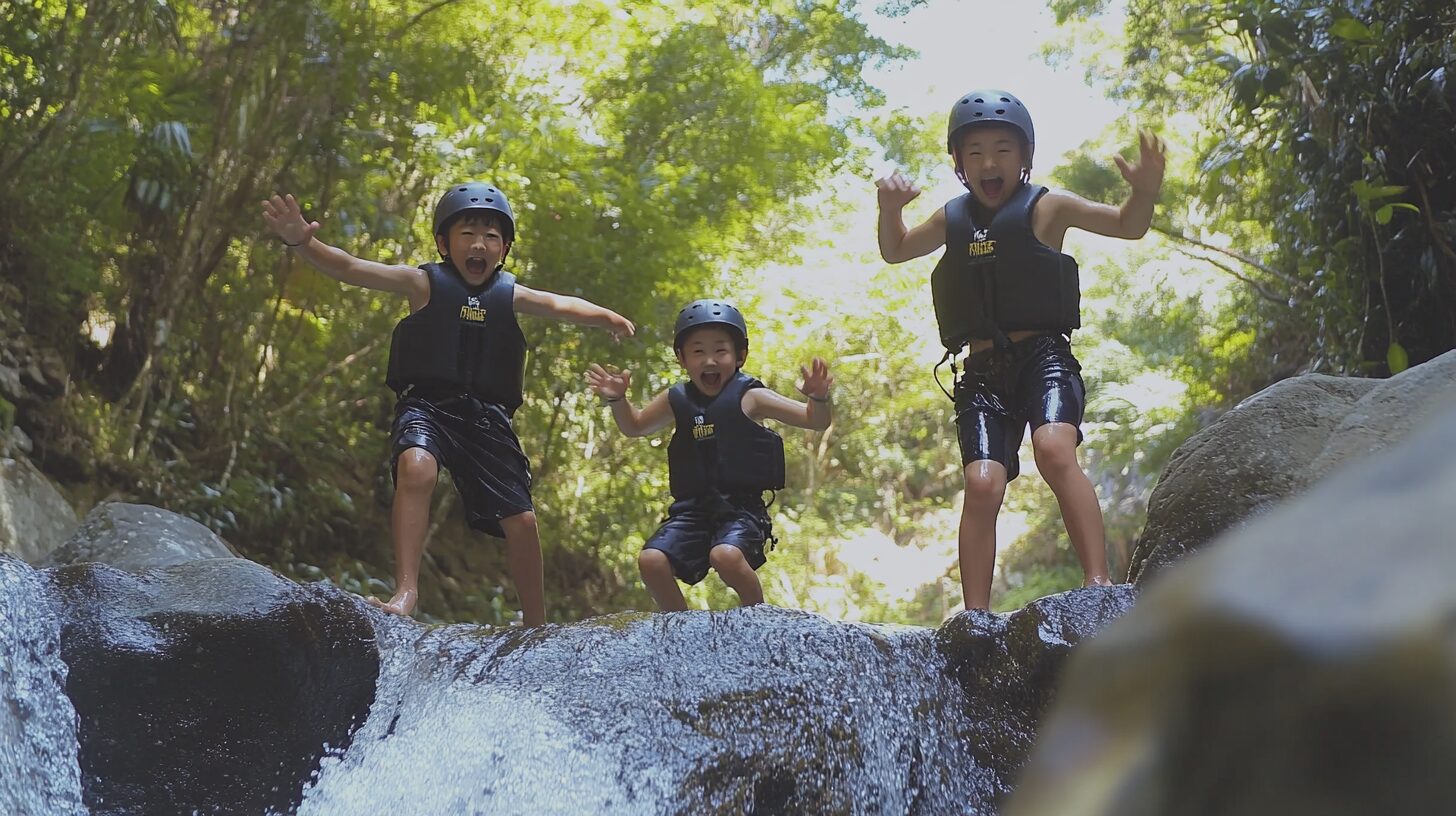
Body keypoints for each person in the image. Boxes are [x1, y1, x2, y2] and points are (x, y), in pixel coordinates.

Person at [261, 182, 635, 622]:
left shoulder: (510, 294)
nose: (479, 244)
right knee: (416, 467)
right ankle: (405, 592)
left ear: (505, 249)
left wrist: (607, 317)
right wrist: (302, 241)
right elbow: (349, 267)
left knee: (522, 522)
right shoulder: (421, 282)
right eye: (467, 233)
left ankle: (537, 621)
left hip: (486, 420)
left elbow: (562, 305)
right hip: (428, 406)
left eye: (492, 236)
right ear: (443, 243)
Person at [875, 89, 1166, 610]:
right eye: (977, 150)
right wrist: (889, 209)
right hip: (982, 374)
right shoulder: (951, 218)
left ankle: (1099, 583)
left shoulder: (1048, 207)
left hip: (1044, 360)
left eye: (1004, 150)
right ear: (959, 161)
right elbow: (896, 250)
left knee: (1055, 449)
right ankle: (976, 615)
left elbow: (1128, 224)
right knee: (982, 482)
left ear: (1025, 157)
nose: (990, 162)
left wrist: (1144, 192)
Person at [585, 300, 832, 611]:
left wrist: (819, 398)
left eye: (721, 351)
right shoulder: (677, 399)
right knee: (651, 560)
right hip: (692, 511)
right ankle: (682, 632)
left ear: (740, 356)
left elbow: (815, 420)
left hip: (742, 512)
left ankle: (758, 620)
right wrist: (618, 399)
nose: (710, 360)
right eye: (698, 351)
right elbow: (634, 426)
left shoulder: (751, 397)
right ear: (682, 359)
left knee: (725, 556)